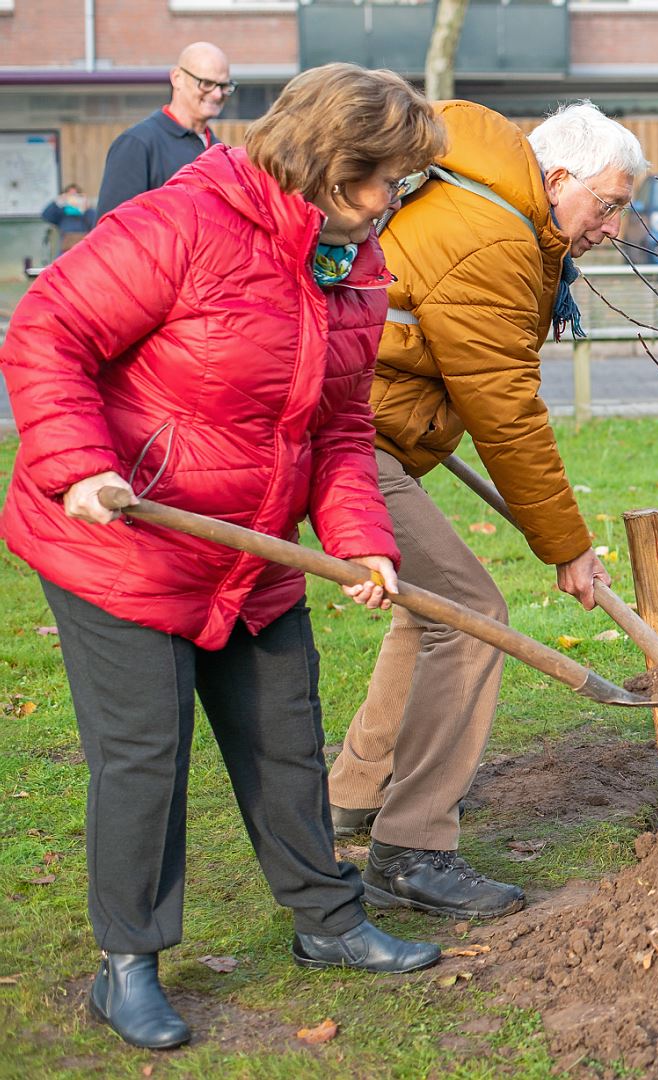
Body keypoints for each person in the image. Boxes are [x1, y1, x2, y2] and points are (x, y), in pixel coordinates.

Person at [0, 63, 449, 1051]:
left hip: (248, 554)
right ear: (333, 164)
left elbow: (337, 427)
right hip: (122, 540)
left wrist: (363, 543)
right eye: (386, 180)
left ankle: (328, 923)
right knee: (144, 757)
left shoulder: (353, 263)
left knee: (285, 736)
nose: (394, 203)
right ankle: (128, 968)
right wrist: (78, 464)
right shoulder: (184, 223)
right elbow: (46, 332)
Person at [325, 100, 648, 919]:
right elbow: (505, 409)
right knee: (471, 613)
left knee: (428, 607)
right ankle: (414, 846)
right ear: (558, 178)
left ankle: (352, 794)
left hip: (366, 425)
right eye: (608, 203)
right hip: (344, 436)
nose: (612, 226)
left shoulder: (496, 208)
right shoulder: (494, 237)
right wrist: (567, 548)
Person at [96, 42, 232, 218]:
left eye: (223, 86)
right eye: (206, 83)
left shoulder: (219, 151)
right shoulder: (137, 144)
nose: (217, 94)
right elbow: (112, 232)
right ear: (177, 78)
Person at [41, 183, 96, 251]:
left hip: (84, 248)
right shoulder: (62, 212)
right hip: (65, 248)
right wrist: (56, 202)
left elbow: (95, 222)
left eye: (76, 195)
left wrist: (88, 207)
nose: (73, 199)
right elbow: (46, 216)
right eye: (70, 196)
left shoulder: (86, 211)